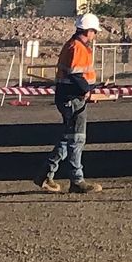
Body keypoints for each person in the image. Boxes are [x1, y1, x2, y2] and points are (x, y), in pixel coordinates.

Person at [38, 12, 102, 193]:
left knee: (67, 139)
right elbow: (75, 75)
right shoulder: (78, 47)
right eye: (94, 32)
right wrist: (87, 90)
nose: (94, 35)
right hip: (73, 98)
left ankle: (45, 175)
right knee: (76, 139)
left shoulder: (71, 45)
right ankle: (76, 180)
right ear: (89, 31)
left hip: (69, 96)